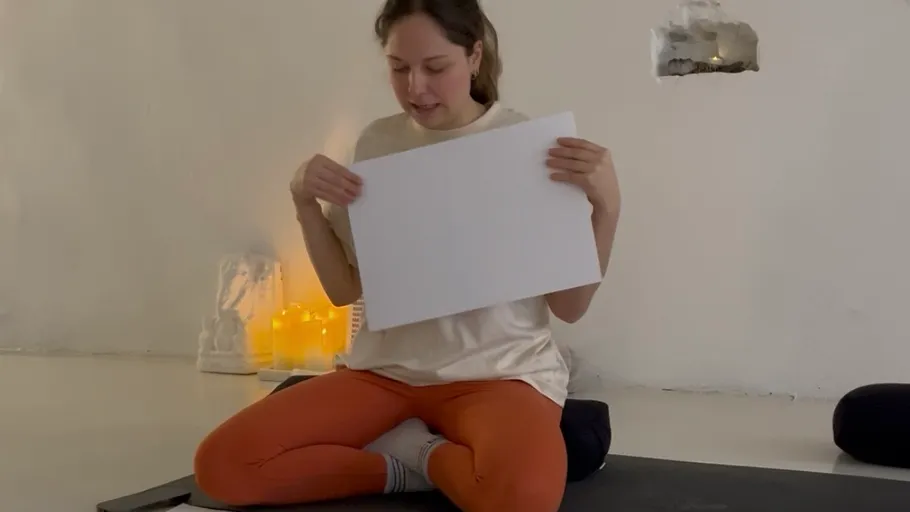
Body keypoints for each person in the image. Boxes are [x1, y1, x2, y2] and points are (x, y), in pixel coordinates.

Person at [193, 1, 621, 511]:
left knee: (524, 501)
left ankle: (417, 450)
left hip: (501, 374)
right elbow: (343, 289)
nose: (415, 88)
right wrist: (304, 202)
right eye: (399, 69)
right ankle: (413, 463)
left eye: (435, 68)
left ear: (475, 56)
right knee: (223, 466)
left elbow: (569, 306)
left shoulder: (527, 145)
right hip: (384, 373)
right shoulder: (377, 142)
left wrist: (607, 205)